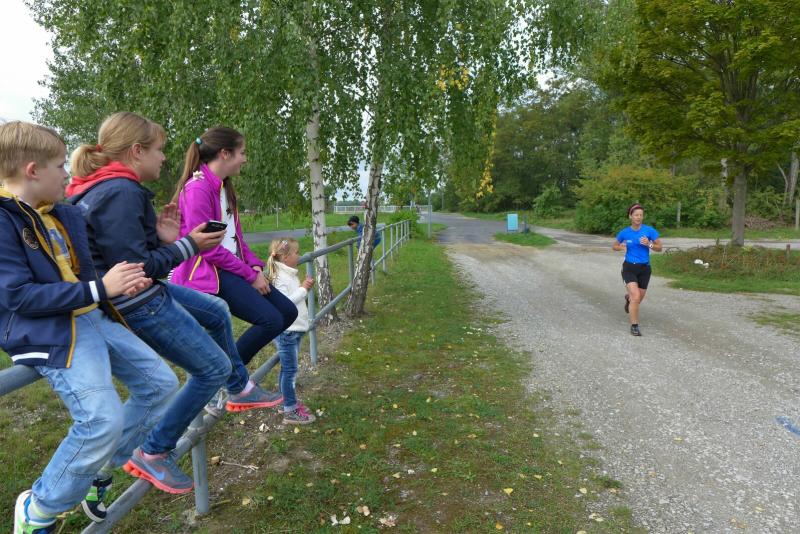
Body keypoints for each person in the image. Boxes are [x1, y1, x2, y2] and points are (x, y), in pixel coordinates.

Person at [66, 113, 282, 496]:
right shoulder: (121, 191)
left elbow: (124, 254)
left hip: (139, 293)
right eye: (159, 150)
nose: (164, 158)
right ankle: (154, 450)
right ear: (136, 151)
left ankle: (239, 388)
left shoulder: (105, 188)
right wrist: (185, 246)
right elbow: (134, 270)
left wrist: (163, 241)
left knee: (216, 312)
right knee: (211, 369)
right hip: (138, 302)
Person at [0, 121, 179, 532]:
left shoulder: (62, 214)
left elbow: (88, 268)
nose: (67, 173)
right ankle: (39, 509)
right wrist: (101, 288)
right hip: (51, 332)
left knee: (161, 386)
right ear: (32, 171)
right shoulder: (4, 220)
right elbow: (17, 296)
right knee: (101, 420)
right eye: (60, 165)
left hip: (91, 316)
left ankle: (96, 468)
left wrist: (147, 258)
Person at [170, 127, 298, 374]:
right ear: (225, 154)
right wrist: (250, 276)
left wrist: (254, 265)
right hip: (211, 271)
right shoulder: (197, 189)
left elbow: (236, 238)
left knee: (287, 312)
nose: (245, 159)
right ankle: (230, 375)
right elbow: (207, 249)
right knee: (271, 320)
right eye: (242, 152)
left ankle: (226, 372)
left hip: (230, 267)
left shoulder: (224, 187)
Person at [266, 238, 317, 424]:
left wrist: (302, 287)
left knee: (287, 369)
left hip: (294, 329)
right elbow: (285, 303)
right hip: (287, 331)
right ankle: (290, 410)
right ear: (285, 257)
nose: (299, 255)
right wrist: (303, 289)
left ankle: (285, 402)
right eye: (296, 253)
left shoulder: (289, 274)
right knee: (290, 371)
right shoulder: (280, 278)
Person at [612, 203, 662, 336]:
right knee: (636, 296)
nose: (639, 217)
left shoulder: (649, 231)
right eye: (636, 215)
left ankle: (629, 299)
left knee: (637, 299)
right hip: (629, 267)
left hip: (645, 269)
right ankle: (634, 326)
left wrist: (649, 244)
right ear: (630, 216)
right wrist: (621, 247)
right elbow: (614, 246)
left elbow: (659, 248)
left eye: (641, 215)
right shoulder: (624, 232)